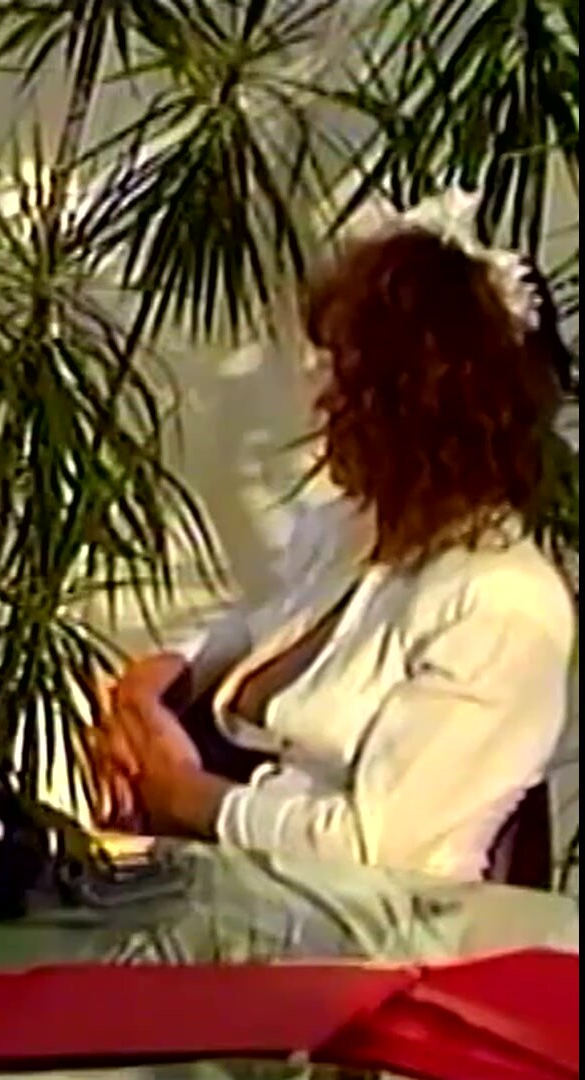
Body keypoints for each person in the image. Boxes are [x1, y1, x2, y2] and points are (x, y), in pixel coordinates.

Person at [90, 198, 576, 882]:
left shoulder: (503, 606)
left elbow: (379, 853)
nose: (323, 401)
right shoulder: (355, 534)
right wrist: (153, 687)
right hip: (235, 890)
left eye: (349, 378)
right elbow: (256, 634)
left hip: (363, 933)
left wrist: (189, 798)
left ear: (426, 411)